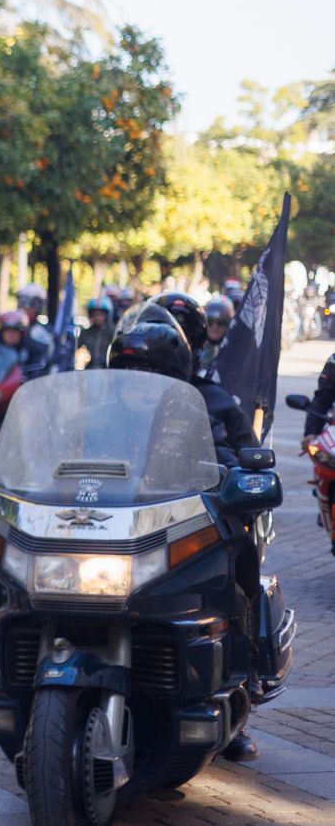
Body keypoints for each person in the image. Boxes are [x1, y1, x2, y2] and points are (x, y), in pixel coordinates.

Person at [106, 303, 260, 761]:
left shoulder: (200, 405)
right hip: (118, 526)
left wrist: (234, 479)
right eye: (131, 369)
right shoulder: (102, 409)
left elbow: (235, 454)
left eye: (150, 369)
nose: (141, 378)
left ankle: (241, 688)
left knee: (237, 575)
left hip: (185, 522)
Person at [152, 293, 259, 465]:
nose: (169, 353)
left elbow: (252, 463)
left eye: (180, 341)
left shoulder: (218, 403)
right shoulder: (120, 405)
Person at [0, 309, 49, 377]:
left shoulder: (33, 349)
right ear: (1, 333)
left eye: (14, 331)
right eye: (7, 331)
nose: (10, 335)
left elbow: (39, 371)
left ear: (22, 333)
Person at [77, 295, 116, 370]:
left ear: (107, 315)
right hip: (89, 371)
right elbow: (77, 351)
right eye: (95, 315)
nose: (98, 317)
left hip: (108, 371)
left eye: (101, 315)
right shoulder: (85, 333)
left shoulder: (113, 332)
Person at [201, 296, 234, 379]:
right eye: (210, 322)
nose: (215, 327)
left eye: (221, 322)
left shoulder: (235, 352)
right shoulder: (195, 348)